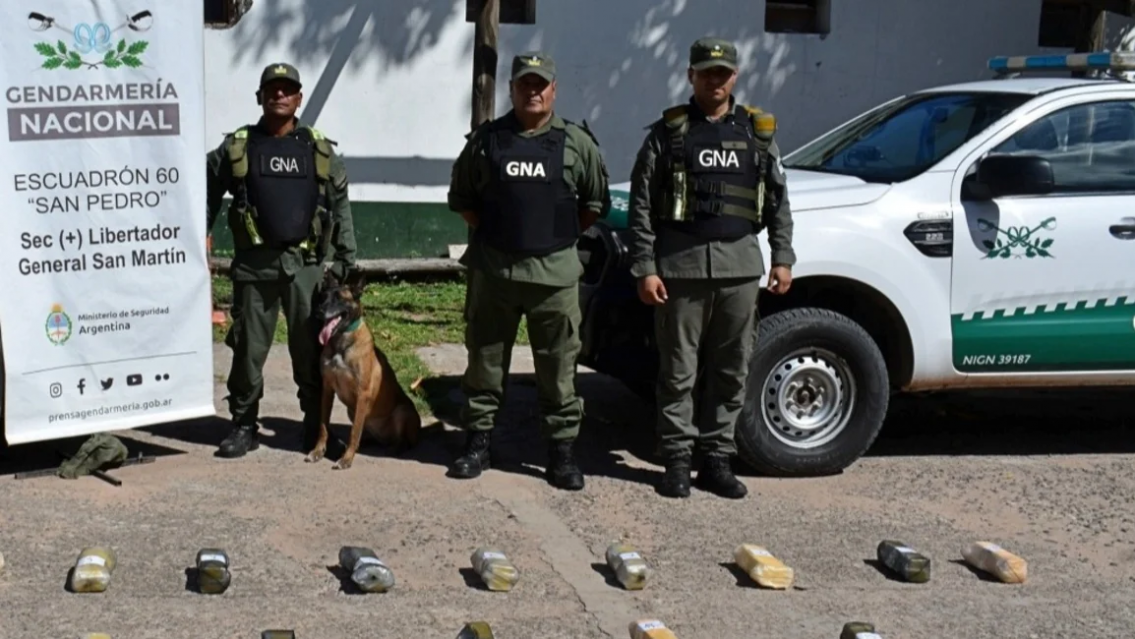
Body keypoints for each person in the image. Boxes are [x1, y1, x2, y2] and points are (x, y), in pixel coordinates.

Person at [627, 38, 796, 499]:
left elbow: (778, 202)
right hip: (680, 270)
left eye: (722, 73)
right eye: (706, 73)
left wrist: (782, 256)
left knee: (732, 368)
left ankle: (717, 460)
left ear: (734, 77)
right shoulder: (668, 134)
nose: (714, 80)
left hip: (740, 269)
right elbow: (641, 206)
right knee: (678, 371)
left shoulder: (757, 134)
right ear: (691, 76)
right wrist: (645, 266)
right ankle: (677, 461)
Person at [446, 51, 611, 491]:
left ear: (554, 89)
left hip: (555, 278)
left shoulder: (576, 144)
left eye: (541, 84)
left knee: (558, 369)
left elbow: (595, 205)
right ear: (512, 89)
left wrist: (553, 238)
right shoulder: (486, 140)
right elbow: (461, 197)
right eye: (525, 84)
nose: (533, 90)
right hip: (494, 273)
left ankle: (561, 454)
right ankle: (477, 444)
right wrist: (502, 234)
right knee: (484, 362)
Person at [206, 62, 358, 458]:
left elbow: (339, 203)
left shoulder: (317, 147)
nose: (279, 95)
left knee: (311, 350)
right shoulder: (237, 146)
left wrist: (347, 257)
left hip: (304, 268)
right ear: (260, 97)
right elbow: (203, 188)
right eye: (272, 89)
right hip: (254, 268)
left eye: (287, 89)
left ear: (299, 98)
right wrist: (197, 238)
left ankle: (315, 427)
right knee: (247, 351)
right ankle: (243, 424)